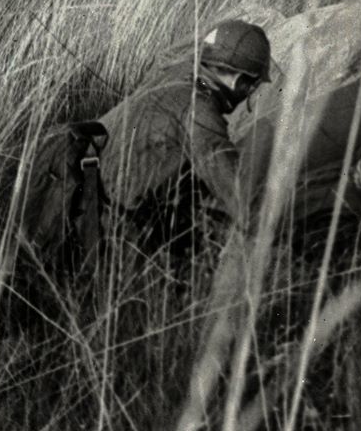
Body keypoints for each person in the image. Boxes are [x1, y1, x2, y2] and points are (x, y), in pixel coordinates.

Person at [22, 19, 272, 270]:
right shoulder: (199, 112)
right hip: (104, 235)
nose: (248, 95)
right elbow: (244, 204)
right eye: (252, 86)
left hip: (87, 203)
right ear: (239, 80)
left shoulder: (172, 73)